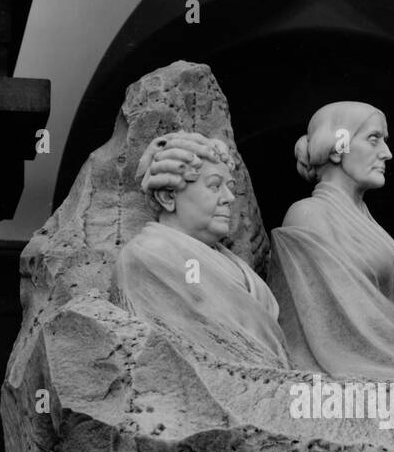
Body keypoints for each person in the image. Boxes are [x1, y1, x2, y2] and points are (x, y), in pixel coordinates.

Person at [267, 102, 394, 378]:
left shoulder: (366, 220)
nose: (386, 153)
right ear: (339, 147)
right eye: (374, 139)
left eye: (384, 141)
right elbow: (329, 327)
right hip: (358, 367)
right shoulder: (308, 214)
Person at [115, 132, 288, 366]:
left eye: (230, 187)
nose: (229, 198)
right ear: (168, 197)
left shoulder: (235, 265)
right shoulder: (149, 256)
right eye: (215, 186)